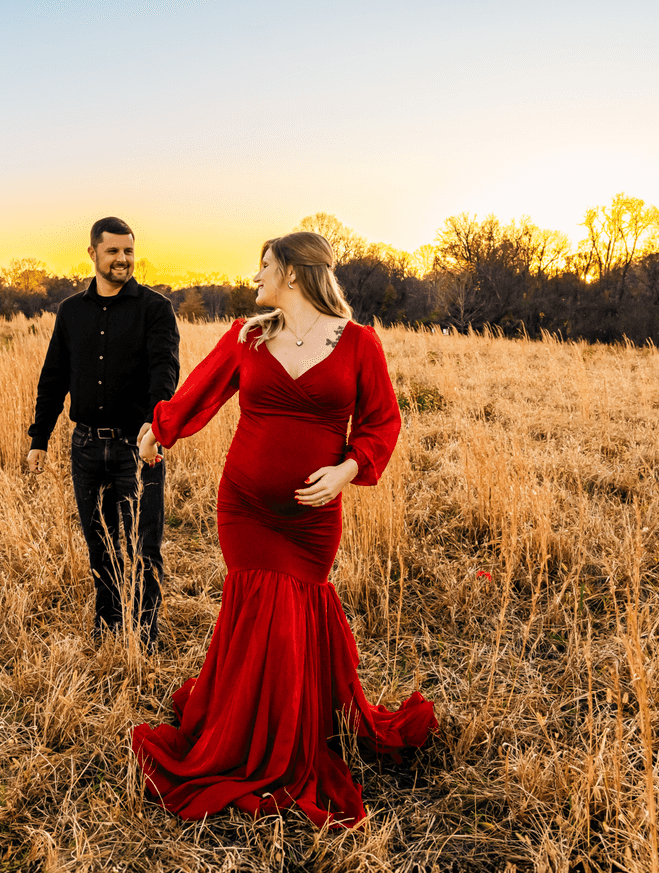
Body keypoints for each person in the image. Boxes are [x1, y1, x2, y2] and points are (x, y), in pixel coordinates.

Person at [132, 230, 435, 827]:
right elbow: (201, 389)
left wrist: (347, 469)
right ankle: (245, 735)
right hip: (245, 507)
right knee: (257, 614)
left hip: (312, 522)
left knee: (295, 616)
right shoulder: (249, 335)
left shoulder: (358, 343)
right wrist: (160, 428)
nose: (256, 276)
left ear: (293, 272)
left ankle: (291, 727)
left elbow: (382, 421)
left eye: (265, 265)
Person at [28, 218, 181, 644]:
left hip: (138, 445)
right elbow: (54, 376)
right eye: (113, 251)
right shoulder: (71, 311)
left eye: (128, 251)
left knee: (144, 545)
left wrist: (154, 422)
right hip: (86, 447)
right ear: (93, 253)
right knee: (99, 543)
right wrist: (40, 438)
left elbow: (165, 369)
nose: (122, 259)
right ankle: (108, 627)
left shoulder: (155, 308)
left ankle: (144, 637)